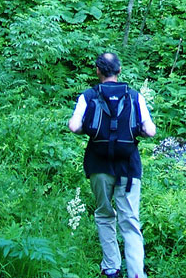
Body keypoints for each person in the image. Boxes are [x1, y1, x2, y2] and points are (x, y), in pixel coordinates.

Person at [68, 52, 156, 278]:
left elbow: (74, 126)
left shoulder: (88, 96)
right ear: (119, 71)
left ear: (97, 71)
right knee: (130, 221)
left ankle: (111, 268)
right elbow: (150, 130)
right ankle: (136, 274)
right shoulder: (134, 96)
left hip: (98, 165)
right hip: (129, 166)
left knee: (105, 214)